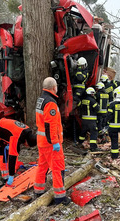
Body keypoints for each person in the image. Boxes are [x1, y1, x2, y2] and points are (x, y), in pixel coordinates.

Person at [34, 77, 70, 205]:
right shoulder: (50, 103)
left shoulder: (41, 99)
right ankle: (60, 197)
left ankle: (38, 190)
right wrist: (55, 142)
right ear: (54, 87)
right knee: (58, 168)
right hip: (50, 143)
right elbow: (50, 125)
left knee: (42, 166)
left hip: (42, 141)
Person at [0, 118, 37, 185]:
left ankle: (11, 172)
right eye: (27, 145)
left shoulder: (27, 129)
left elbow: (11, 132)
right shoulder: (17, 136)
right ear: (27, 141)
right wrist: (11, 175)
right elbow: (12, 156)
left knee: (14, 151)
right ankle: (5, 176)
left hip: (0, 126)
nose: (26, 146)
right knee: (3, 154)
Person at [78, 87, 101, 151]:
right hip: (91, 120)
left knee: (83, 131)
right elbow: (97, 109)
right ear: (91, 94)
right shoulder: (92, 100)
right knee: (94, 132)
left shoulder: (83, 100)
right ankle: (93, 147)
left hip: (84, 120)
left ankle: (80, 143)